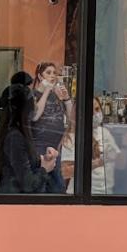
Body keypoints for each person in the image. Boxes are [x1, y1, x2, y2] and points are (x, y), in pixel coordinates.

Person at [0, 83, 62, 194]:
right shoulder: (15, 137)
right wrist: (45, 169)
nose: (35, 106)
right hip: (14, 202)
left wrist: (42, 160)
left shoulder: (17, 133)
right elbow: (28, 184)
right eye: (33, 102)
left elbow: (23, 162)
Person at [31, 62, 73, 191]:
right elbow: (35, 115)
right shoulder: (33, 95)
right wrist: (46, 90)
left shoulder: (57, 96)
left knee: (58, 188)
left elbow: (72, 119)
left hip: (55, 148)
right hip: (39, 148)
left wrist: (66, 99)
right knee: (41, 186)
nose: (52, 76)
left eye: (55, 73)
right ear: (39, 76)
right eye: (48, 73)